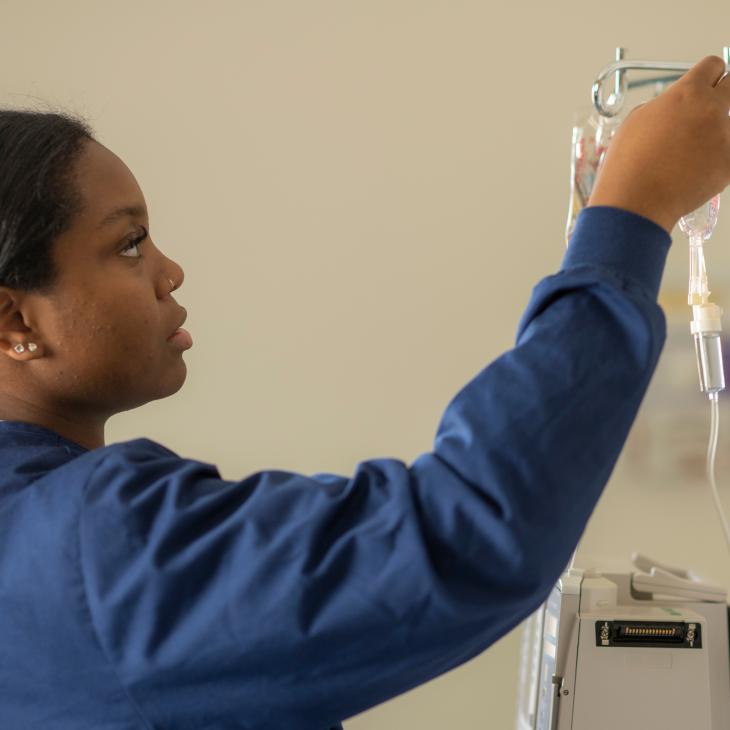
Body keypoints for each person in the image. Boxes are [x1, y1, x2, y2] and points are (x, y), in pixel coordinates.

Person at [0, 55, 728, 730]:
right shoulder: (89, 549)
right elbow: (465, 534)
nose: (171, 271)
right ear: (14, 320)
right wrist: (631, 218)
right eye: (129, 244)